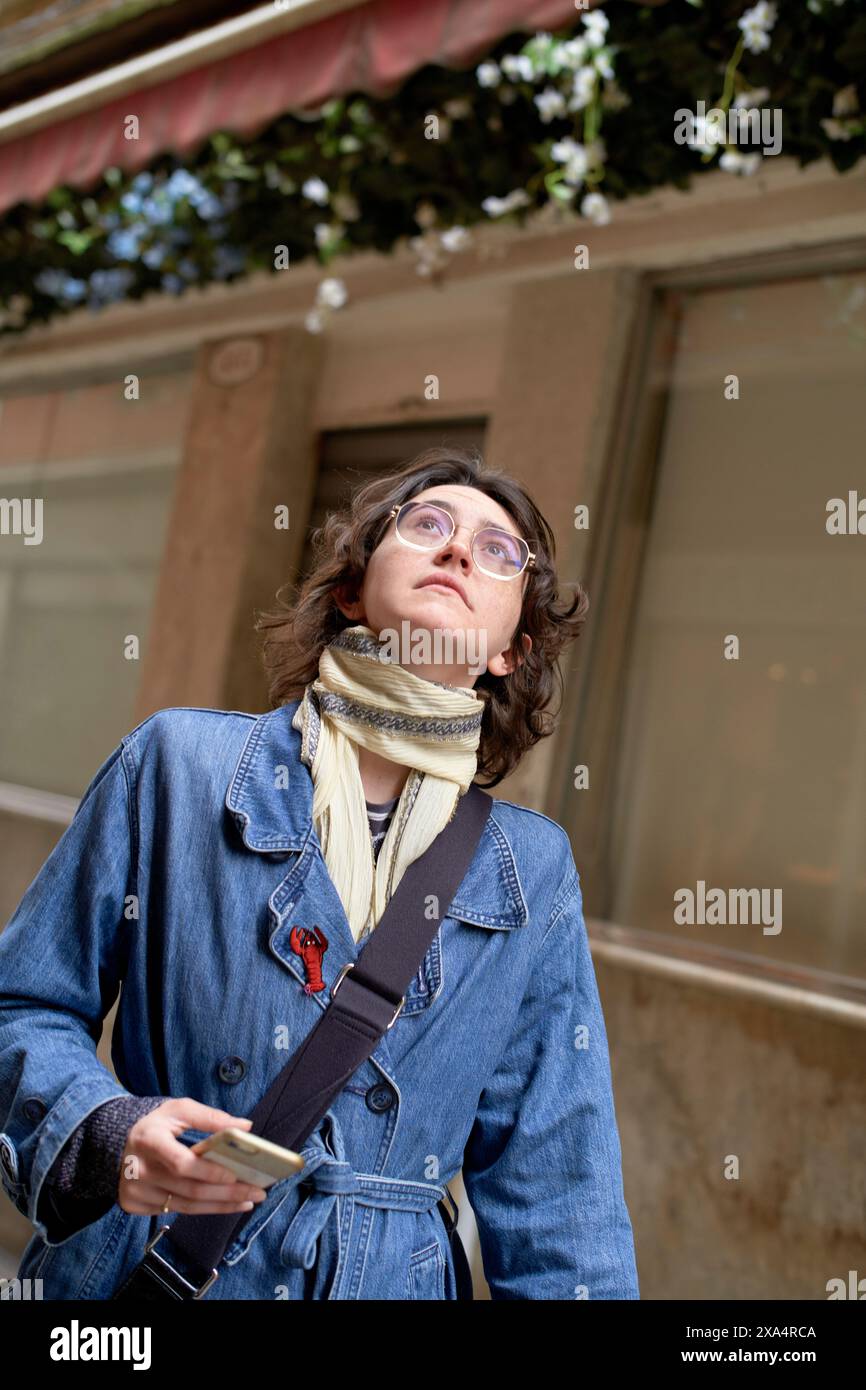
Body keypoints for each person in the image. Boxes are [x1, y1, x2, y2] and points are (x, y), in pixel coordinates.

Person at [0, 445, 640, 1300]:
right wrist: (111, 1130)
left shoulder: (531, 867)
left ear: (510, 652)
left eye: (498, 551)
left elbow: (560, 1185)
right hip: (153, 1275)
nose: (458, 550)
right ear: (350, 590)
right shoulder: (178, 766)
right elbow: (23, 1004)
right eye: (428, 526)